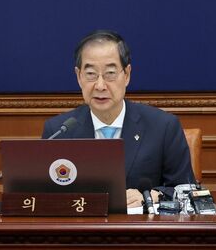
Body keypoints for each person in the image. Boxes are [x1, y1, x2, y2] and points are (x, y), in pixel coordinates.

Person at [42, 30, 194, 207]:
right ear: (79, 76)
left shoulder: (164, 127)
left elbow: (187, 191)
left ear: (127, 75)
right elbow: (46, 197)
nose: (100, 85)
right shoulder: (58, 131)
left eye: (110, 73)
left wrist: (151, 197)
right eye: (91, 74)